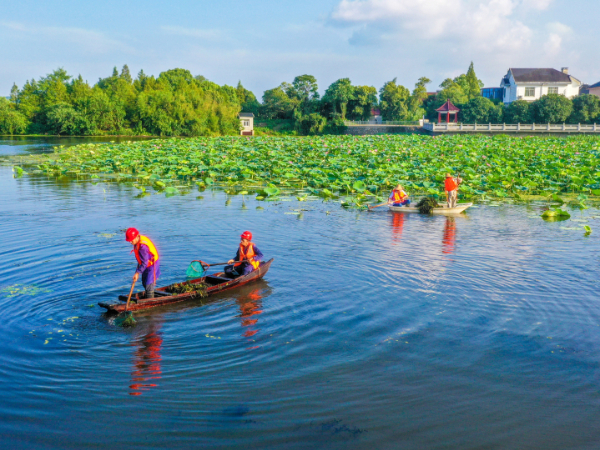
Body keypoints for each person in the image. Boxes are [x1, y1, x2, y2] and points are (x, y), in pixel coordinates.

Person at [126, 228, 160, 299]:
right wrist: (137, 272)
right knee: (144, 282)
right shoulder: (137, 242)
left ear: (137, 237)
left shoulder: (142, 247)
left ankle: (150, 301)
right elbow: (141, 261)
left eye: (131, 240)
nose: (130, 242)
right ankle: (148, 296)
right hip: (146, 264)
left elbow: (144, 262)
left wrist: (137, 273)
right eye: (129, 241)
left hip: (152, 264)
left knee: (148, 283)